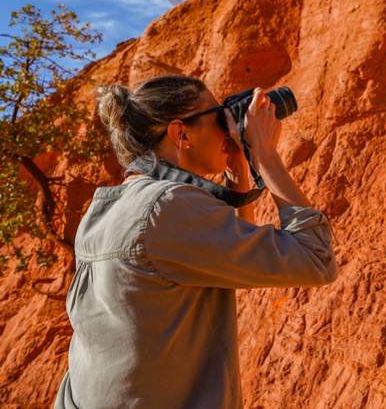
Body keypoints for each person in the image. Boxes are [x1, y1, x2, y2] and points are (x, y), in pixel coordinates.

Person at [54, 74, 337, 409]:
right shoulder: (169, 207)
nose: (227, 126)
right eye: (218, 116)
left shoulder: (105, 209)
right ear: (180, 133)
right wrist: (264, 152)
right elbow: (315, 258)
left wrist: (238, 171)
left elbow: (234, 265)